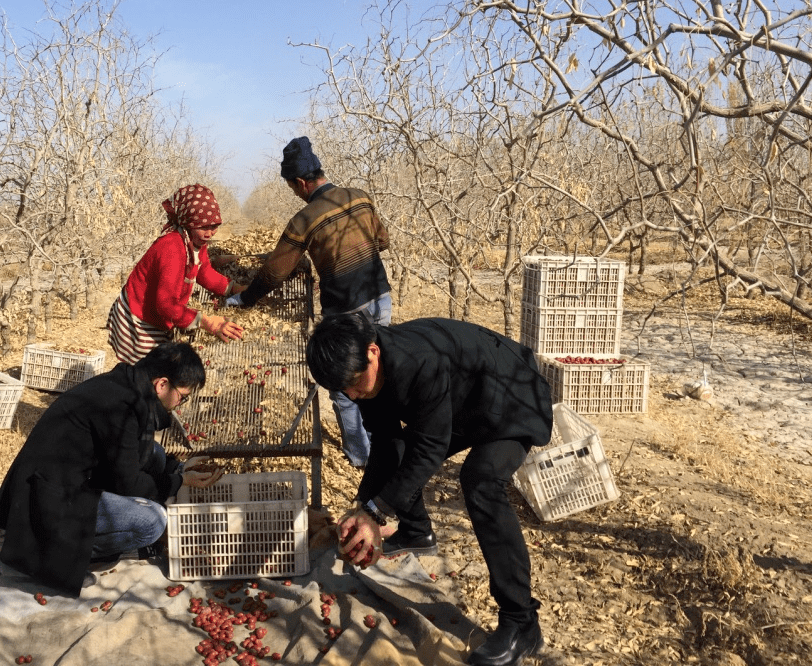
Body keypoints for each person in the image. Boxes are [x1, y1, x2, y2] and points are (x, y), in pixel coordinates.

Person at [305, 314, 554, 666]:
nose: (352, 394)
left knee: (481, 481)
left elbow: (430, 448)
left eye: (353, 384)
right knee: (400, 454)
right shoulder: (360, 371)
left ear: (373, 352)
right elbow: (386, 442)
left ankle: (522, 622)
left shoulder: (417, 361)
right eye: (343, 390)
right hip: (465, 403)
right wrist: (363, 507)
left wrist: (377, 513)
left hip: (514, 398)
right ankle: (416, 532)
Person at [0, 342, 223, 596]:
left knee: (157, 455)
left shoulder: (127, 386)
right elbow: (127, 482)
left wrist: (179, 468)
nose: (180, 404)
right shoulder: (120, 408)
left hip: (67, 479)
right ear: (162, 384)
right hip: (49, 499)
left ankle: (82, 545)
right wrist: (180, 481)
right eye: (182, 397)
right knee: (152, 522)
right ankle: (46, 557)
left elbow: (132, 454)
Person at [226, 136, 391, 467]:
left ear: (300, 182)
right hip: (380, 297)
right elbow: (382, 241)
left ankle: (361, 457)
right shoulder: (359, 197)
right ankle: (384, 444)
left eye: (293, 188)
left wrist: (245, 298)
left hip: (346, 308)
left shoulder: (305, 219)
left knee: (344, 382)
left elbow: (274, 272)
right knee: (377, 368)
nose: (296, 194)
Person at [107, 183, 245, 364]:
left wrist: (234, 288)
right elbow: (165, 305)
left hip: (160, 313)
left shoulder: (196, 241)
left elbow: (205, 273)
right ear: (189, 223)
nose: (210, 232)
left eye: (215, 226)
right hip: (140, 316)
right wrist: (207, 322)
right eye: (204, 226)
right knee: (143, 373)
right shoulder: (172, 249)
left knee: (156, 370)